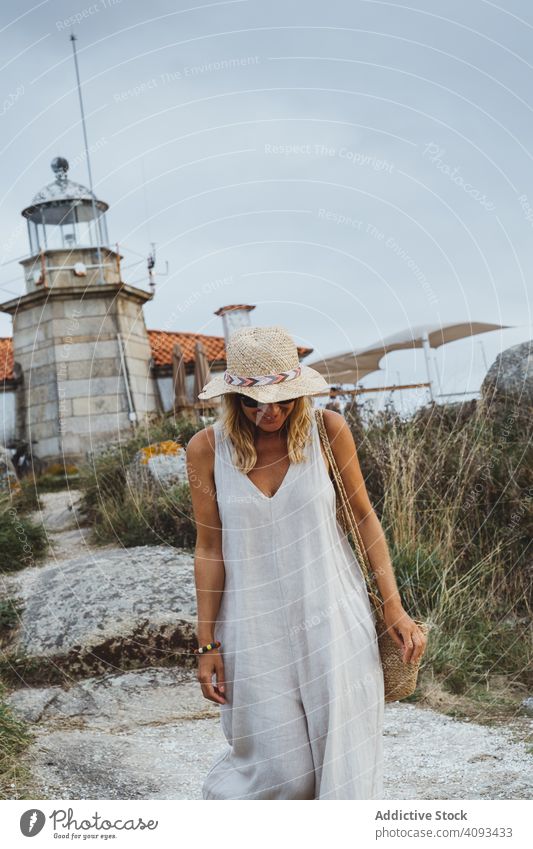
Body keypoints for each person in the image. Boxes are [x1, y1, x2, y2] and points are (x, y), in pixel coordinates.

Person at [186, 325, 426, 800]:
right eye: (254, 401)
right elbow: (209, 548)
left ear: (298, 390)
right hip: (252, 629)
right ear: (234, 398)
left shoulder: (328, 431)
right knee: (280, 774)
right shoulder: (207, 450)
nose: (269, 411)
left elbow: (362, 518)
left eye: (281, 398)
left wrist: (393, 606)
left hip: (334, 618)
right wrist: (207, 643)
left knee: (346, 771)